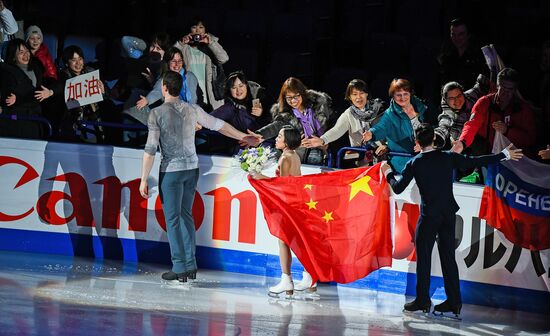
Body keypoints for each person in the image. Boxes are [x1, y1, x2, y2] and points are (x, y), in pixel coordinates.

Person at [381, 123, 523, 317]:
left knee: (424, 259)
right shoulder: (447, 157)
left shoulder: (415, 163)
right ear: (433, 139)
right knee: (448, 259)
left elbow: (397, 188)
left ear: (416, 142)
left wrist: (387, 171)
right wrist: (503, 155)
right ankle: (454, 303)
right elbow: (475, 161)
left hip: (429, 216)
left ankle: (423, 300)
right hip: (447, 215)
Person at [138, 71, 260, 282]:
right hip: (191, 169)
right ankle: (190, 265)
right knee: (185, 215)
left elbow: (150, 149)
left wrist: (143, 179)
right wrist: (243, 136)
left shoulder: (156, 113)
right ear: (180, 87)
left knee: (174, 219)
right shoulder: (192, 109)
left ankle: (179, 266)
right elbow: (219, 125)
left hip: (172, 171)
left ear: (164, 88)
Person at [250, 125, 317, 295]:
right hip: (297, 202)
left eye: (280, 136)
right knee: (298, 241)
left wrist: (259, 177)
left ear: (286, 142)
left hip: (289, 204)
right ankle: (308, 276)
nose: (277, 139)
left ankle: (287, 280)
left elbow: (283, 185)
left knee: (284, 241)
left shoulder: (285, 158)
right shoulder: (293, 155)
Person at [452, 68, 537, 158]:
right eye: (503, 87)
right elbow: (471, 125)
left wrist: (507, 131)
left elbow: (530, 139)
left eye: (510, 89)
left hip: (515, 159)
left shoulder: (523, 109)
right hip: (488, 155)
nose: (506, 93)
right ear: (497, 85)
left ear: (515, 90)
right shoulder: (484, 102)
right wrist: (462, 143)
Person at [301, 79, 386, 166]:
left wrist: (386, 146)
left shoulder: (380, 109)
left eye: (361, 93)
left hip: (386, 156)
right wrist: (323, 140)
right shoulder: (349, 113)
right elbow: (337, 130)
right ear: (349, 97)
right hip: (362, 161)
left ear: (366, 94)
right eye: (354, 94)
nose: (358, 97)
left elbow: (391, 130)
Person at [253, 77, 333, 165]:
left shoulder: (319, 106)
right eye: (289, 98)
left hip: (320, 149)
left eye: (296, 96)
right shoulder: (285, 114)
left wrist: (325, 141)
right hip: (297, 152)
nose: (293, 101)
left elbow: (333, 128)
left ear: (302, 93)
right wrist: (259, 135)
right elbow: (275, 126)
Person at [362, 78, 427, 172]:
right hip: (403, 162)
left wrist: (425, 143)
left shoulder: (422, 107)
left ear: (410, 94)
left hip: (425, 158)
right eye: (398, 95)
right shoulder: (390, 114)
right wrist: (371, 134)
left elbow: (431, 128)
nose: (402, 97)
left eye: (405, 94)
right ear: (393, 96)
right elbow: (381, 127)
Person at [123, 47, 199, 126]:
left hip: (191, 113)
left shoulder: (190, 77)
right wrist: (147, 100)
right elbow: (157, 91)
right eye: (173, 61)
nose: (177, 64)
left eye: (180, 61)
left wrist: (192, 117)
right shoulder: (164, 78)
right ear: (167, 62)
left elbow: (194, 99)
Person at [51, 45, 107, 142]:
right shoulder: (62, 77)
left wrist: (102, 91)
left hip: (92, 122)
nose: (78, 63)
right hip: (70, 124)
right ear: (67, 63)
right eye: (73, 60)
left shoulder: (91, 73)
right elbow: (58, 93)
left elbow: (104, 98)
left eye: (80, 59)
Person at [206, 70, 270, 154]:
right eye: (234, 87)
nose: (238, 90)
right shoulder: (229, 108)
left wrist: (262, 114)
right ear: (229, 90)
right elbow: (206, 119)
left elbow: (273, 123)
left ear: (246, 85)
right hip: (242, 152)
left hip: (265, 148)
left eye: (241, 86)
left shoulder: (258, 101)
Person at [0, 38, 53, 139]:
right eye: (21, 52)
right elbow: (8, 99)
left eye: (27, 51)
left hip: (35, 121)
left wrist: (50, 92)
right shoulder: (7, 73)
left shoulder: (37, 69)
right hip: (17, 123)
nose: (26, 54)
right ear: (13, 56)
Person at [174, 17, 228, 111]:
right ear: (190, 29)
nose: (197, 30)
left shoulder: (211, 45)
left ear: (205, 30)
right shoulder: (184, 47)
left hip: (210, 95)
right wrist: (181, 44)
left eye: (201, 27)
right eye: (194, 27)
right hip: (191, 93)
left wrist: (210, 43)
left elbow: (224, 59)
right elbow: (170, 58)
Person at [437, 18, 486, 90]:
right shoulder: (446, 56)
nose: (456, 38)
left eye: (460, 34)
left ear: (468, 35)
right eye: (453, 34)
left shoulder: (478, 57)